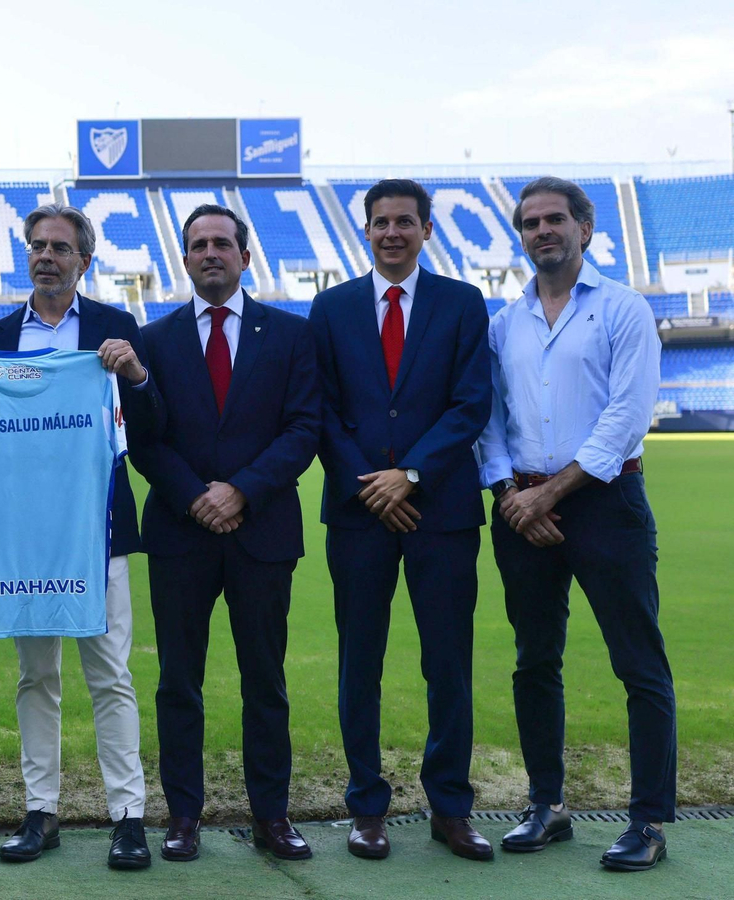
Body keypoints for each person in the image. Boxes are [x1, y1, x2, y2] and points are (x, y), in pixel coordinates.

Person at [478, 176, 675, 871]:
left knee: (638, 664)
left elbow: (626, 416)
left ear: (585, 228)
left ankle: (648, 821)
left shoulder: (622, 309)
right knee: (535, 662)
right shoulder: (505, 322)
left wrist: (550, 494)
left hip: (604, 505)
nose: (542, 231)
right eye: (530, 222)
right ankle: (546, 806)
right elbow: (489, 420)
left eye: (555, 219)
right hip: (520, 510)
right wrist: (509, 492)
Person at [308, 179, 493, 861]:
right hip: (359, 515)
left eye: (405, 222)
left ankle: (450, 805)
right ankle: (366, 806)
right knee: (361, 663)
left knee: (448, 663)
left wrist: (410, 474)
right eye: (381, 221)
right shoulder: (329, 309)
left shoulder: (462, 303)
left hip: (440, 513)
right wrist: (370, 484)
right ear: (366, 229)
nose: (392, 232)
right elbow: (320, 410)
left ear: (427, 230)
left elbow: (471, 404)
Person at [129, 204, 320, 863]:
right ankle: (184, 816)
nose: (210, 252)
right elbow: (144, 439)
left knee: (264, 681)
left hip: (262, 532)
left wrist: (241, 489)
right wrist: (194, 496)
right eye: (197, 245)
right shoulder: (151, 341)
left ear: (245, 255)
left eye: (222, 242)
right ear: (184, 260)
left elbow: (303, 429)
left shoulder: (292, 335)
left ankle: (272, 815)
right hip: (181, 534)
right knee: (179, 681)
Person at [0, 203, 156, 869]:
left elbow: (152, 425)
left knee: (109, 674)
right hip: (23, 538)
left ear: (85, 260)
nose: (47, 256)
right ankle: (40, 810)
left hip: (98, 531)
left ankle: (128, 815)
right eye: (37, 246)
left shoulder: (116, 329)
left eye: (60, 247)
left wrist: (135, 375)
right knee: (36, 674)